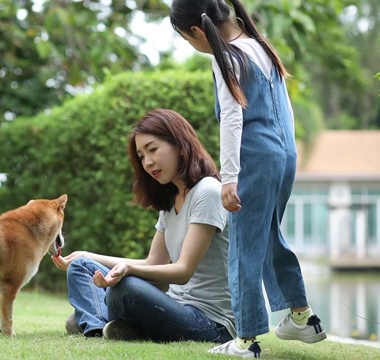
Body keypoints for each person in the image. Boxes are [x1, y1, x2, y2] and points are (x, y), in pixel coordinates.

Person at [169, 0, 327, 357]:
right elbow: (283, 109)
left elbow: (232, 118)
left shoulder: (225, 57)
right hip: (284, 156)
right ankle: (302, 316)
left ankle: (245, 340)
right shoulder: (260, 46)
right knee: (269, 236)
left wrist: (228, 178)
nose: (191, 45)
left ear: (197, 31)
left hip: (254, 160)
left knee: (242, 246)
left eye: (186, 38)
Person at [51, 108, 236, 344]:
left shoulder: (208, 191)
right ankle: (106, 326)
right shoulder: (170, 202)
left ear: (179, 145)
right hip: (175, 307)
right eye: (141, 156)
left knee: (126, 289)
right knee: (80, 266)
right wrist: (86, 255)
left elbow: (182, 271)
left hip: (210, 322)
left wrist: (126, 268)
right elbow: (153, 263)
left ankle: (97, 322)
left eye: (153, 149)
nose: (147, 163)